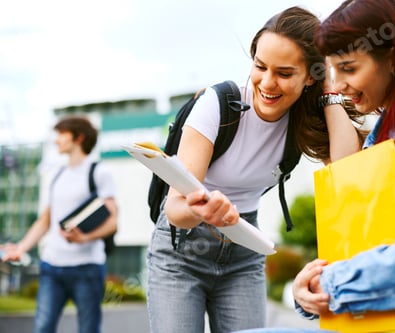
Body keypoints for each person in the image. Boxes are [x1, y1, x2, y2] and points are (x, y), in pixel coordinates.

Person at [236, 0, 395, 332]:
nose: (340, 85)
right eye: (332, 72)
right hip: (386, 323)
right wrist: (313, 283)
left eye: (349, 68)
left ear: (392, 59)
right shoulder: (383, 134)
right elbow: (361, 233)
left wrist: (334, 285)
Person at [146, 6, 362, 333]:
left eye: (285, 73)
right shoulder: (219, 105)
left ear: (311, 75)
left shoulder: (303, 121)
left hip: (244, 253)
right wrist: (203, 209)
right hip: (181, 254)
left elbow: (348, 171)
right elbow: (175, 208)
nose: (268, 83)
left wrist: (329, 92)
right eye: (260, 66)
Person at [1, 115, 118, 333]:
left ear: (79, 138)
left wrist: (84, 237)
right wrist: (21, 248)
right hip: (52, 267)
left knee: (88, 329)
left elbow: (112, 221)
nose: (57, 140)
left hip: (87, 269)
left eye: (62, 134)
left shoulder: (99, 172)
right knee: (42, 328)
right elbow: (45, 221)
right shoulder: (57, 175)